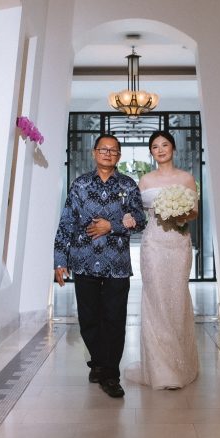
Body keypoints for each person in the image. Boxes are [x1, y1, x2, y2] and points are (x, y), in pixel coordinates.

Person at [54, 134, 146, 398]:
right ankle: (98, 362)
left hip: (117, 263)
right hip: (84, 261)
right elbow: (66, 222)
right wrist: (60, 260)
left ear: (119, 155)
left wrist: (112, 226)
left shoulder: (128, 185)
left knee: (115, 320)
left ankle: (110, 375)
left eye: (113, 150)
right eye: (103, 149)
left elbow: (140, 220)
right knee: (89, 319)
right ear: (94, 153)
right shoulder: (80, 185)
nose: (108, 153)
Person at [126, 130, 199, 390]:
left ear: (173, 148)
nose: (160, 149)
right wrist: (128, 218)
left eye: (164, 145)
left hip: (178, 243)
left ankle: (180, 363)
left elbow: (194, 212)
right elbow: (136, 212)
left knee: (177, 298)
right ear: (151, 152)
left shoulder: (186, 178)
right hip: (154, 244)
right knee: (155, 297)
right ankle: (160, 369)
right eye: (155, 146)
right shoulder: (145, 180)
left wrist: (179, 214)